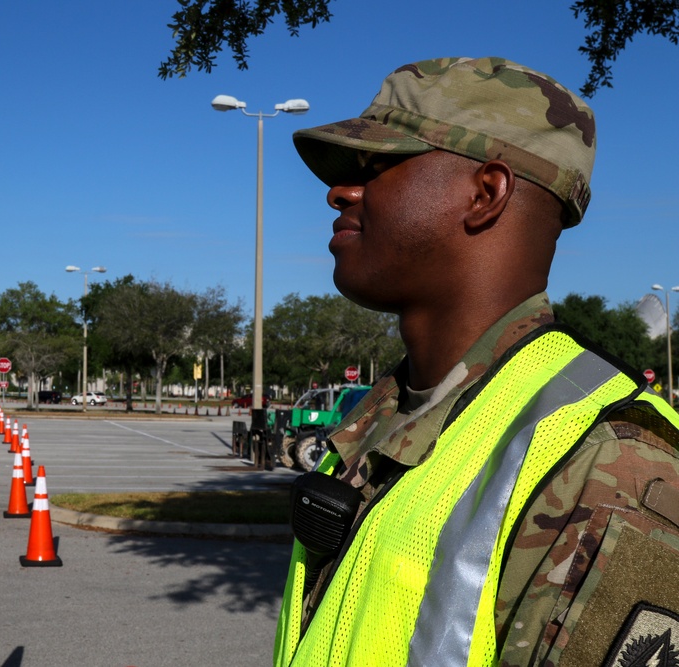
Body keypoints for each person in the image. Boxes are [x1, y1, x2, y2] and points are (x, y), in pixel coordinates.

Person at [274, 57, 679, 667]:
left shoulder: (611, 460)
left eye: (379, 166)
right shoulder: (375, 422)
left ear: (485, 193)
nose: (340, 191)